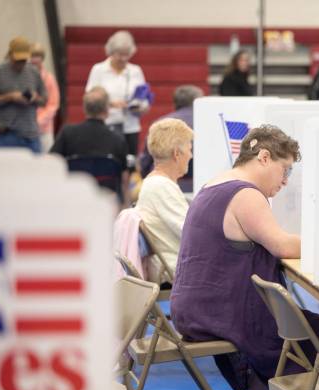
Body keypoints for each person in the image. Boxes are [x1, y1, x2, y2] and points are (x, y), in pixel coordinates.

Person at [171, 125, 319, 390]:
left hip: (193, 306)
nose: (285, 181)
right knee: (310, 331)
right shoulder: (246, 194)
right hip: (217, 308)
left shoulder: (214, 183)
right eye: (285, 169)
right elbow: (282, 246)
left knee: (273, 325)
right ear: (264, 157)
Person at [135, 118, 192, 283]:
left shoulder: (154, 183)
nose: (191, 155)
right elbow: (191, 233)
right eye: (189, 149)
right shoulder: (162, 187)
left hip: (171, 265)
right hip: (177, 269)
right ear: (177, 153)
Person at [85, 30, 149, 158]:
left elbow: (144, 97)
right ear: (111, 52)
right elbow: (89, 97)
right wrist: (110, 103)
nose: (123, 58)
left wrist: (141, 107)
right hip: (107, 124)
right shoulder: (99, 69)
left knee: (130, 162)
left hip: (131, 126)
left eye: (127, 54)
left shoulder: (135, 70)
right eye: (120, 54)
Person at [0, 36, 47, 153]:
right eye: (18, 60)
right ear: (10, 55)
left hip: (31, 135)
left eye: (24, 60)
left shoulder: (34, 72)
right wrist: (10, 97)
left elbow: (44, 100)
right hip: (7, 135)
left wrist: (34, 97)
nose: (21, 64)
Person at [50, 86, 128, 174]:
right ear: (107, 111)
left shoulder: (67, 133)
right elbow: (124, 176)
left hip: (74, 186)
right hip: (106, 187)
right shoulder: (117, 139)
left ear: (84, 109)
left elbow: (51, 162)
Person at [139, 84, 204, 179]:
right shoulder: (210, 123)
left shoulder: (160, 124)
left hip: (164, 180)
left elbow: (146, 161)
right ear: (199, 102)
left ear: (175, 103)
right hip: (201, 182)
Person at [30, 43, 60, 152]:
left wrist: (38, 121)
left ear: (42, 59)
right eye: (32, 56)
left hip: (44, 130)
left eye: (37, 56)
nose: (34, 60)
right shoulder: (23, 77)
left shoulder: (49, 78)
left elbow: (53, 105)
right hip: (26, 129)